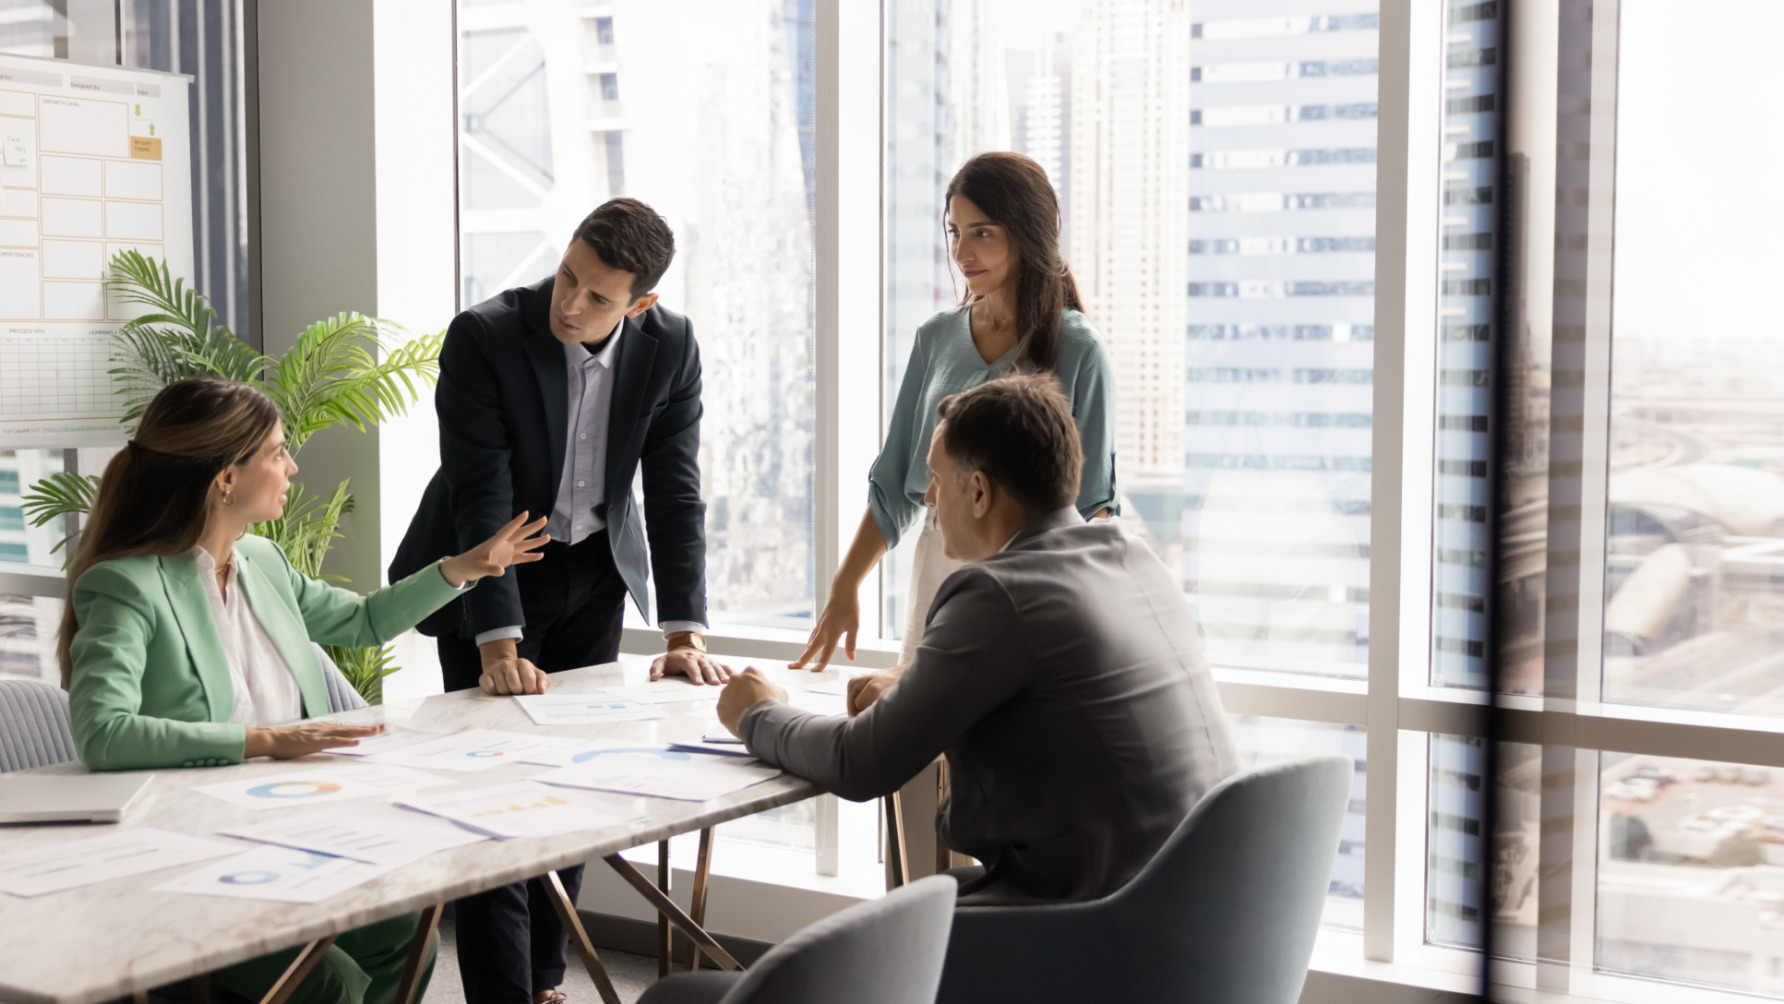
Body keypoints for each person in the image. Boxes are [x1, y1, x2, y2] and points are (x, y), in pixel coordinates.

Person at [62, 377, 546, 1004]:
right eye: (276, 452)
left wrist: (464, 567)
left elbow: (365, 621)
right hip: (194, 849)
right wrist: (269, 741)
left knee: (409, 934)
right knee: (332, 984)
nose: (292, 465)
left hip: (296, 820)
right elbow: (104, 733)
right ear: (225, 478)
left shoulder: (261, 560)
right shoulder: (126, 585)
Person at [718, 375, 1239, 903]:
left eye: (936, 480)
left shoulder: (998, 594)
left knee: (863, 950)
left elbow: (861, 764)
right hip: (1201, 907)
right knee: (908, 914)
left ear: (980, 492)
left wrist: (756, 713)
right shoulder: (1132, 557)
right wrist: (919, 683)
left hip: (1104, 928)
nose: (929, 498)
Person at [389, 196, 726, 1004]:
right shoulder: (486, 337)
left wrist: (685, 632)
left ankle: (544, 980)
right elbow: (481, 492)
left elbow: (675, 493)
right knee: (493, 802)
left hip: (595, 576)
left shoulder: (671, 347)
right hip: (495, 571)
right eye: (567, 275)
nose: (569, 304)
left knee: (573, 789)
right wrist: (496, 642)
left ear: (640, 303)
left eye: (598, 295)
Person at [792, 151, 1116, 677]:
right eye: (954, 232)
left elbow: (1094, 509)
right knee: (924, 739)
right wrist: (845, 585)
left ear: (1029, 231)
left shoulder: (1078, 348)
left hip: (1035, 580)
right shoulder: (936, 338)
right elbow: (898, 481)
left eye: (982, 232)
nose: (963, 251)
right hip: (940, 562)